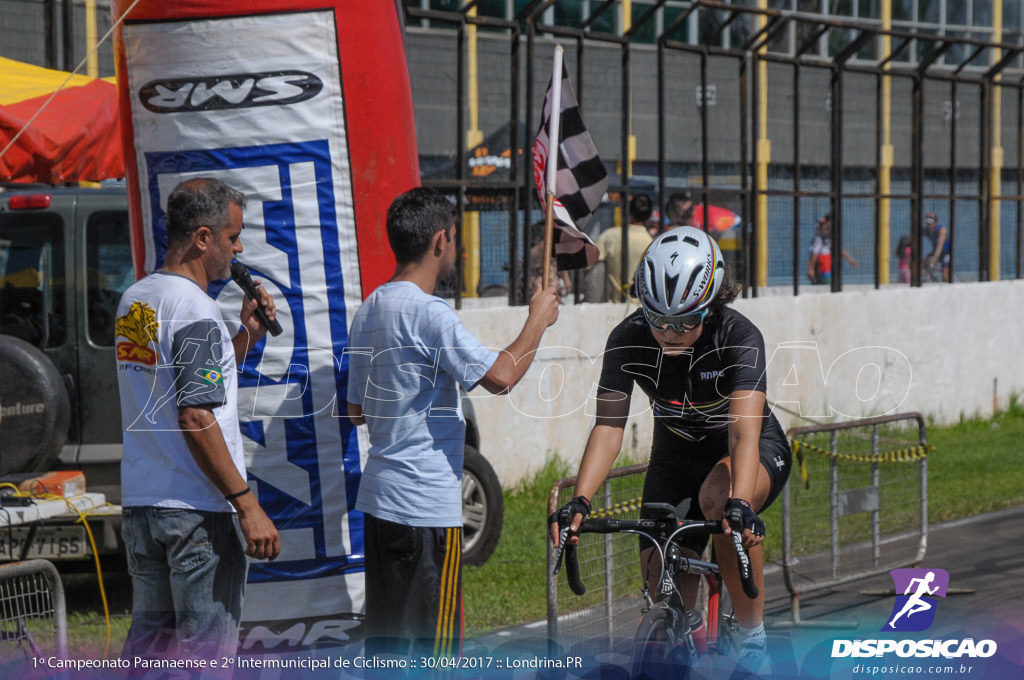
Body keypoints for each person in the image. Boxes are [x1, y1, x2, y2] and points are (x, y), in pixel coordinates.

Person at [550, 227, 791, 678]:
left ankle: (752, 636)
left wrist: (740, 504)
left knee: (720, 501)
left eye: (685, 321)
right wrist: (580, 500)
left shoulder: (738, 336)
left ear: (712, 305)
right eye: (658, 319)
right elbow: (608, 425)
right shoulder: (628, 338)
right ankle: (688, 648)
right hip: (674, 458)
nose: (670, 333)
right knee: (663, 587)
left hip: (746, 451)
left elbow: (742, 433)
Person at [346, 187, 560, 656]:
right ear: (440, 241)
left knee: (387, 652)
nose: (458, 252)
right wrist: (538, 320)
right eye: (456, 242)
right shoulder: (429, 313)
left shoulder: (369, 308)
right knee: (434, 655)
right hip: (425, 508)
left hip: (381, 503)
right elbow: (501, 377)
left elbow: (356, 409)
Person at [115, 178, 280, 661]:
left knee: (148, 658)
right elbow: (193, 413)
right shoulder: (196, 310)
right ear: (203, 238)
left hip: (145, 507)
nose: (239, 248)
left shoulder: (137, 298)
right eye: (233, 237)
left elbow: (179, 386)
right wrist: (247, 505)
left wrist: (245, 337)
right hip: (197, 513)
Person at [596, 193, 654, 302]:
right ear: (649, 215)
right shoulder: (652, 245)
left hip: (611, 307)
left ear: (629, 213)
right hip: (642, 307)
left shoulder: (609, 236)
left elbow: (593, 269)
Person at [806, 213, 857, 285]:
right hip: (823, 268)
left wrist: (850, 259)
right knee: (824, 287)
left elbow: (839, 249)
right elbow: (814, 253)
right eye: (821, 224)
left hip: (829, 268)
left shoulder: (831, 236)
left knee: (831, 286)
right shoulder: (819, 237)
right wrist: (811, 268)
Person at [923, 211, 950, 282]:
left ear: (936, 222)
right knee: (926, 260)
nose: (930, 225)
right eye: (928, 223)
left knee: (945, 275)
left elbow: (940, 244)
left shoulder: (941, 230)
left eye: (931, 223)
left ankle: (947, 282)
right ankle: (933, 278)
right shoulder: (926, 230)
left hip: (946, 252)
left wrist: (935, 257)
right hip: (936, 252)